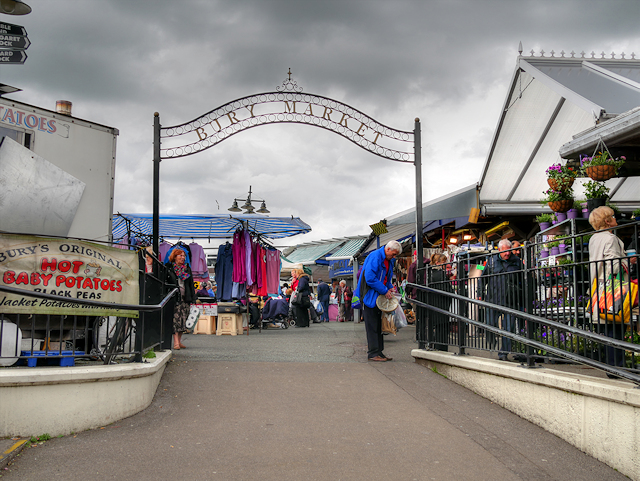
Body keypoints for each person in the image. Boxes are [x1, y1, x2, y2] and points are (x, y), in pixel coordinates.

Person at [588, 206, 636, 375]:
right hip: (613, 290)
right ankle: (618, 368)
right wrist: (629, 262)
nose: (616, 219)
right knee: (616, 331)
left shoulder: (594, 238)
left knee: (608, 332)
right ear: (607, 221)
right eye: (613, 217)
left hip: (599, 288)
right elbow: (614, 266)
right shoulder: (611, 238)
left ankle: (611, 367)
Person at [354, 240, 401, 361]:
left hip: (378, 296)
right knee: (372, 325)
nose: (394, 257)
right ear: (388, 249)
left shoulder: (388, 260)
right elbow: (370, 278)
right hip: (370, 296)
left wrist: (390, 287)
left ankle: (379, 352)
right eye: (394, 254)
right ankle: (373, 353)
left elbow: (386, 277)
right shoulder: (375, 256)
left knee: (379, 325)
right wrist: (385, 290)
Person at [477, 239, 523, 361]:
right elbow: (483, 278)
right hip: (493, 299)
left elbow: (523, 279)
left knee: (509, 329)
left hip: (511, 300)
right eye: (504, 252)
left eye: (509, 251)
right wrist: (480, 292)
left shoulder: (517, 262)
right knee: (490, 324)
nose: (507, 254)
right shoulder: (492, 261)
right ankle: (491, 341)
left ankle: (503, 353)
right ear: (499, 250)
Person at [166, 248, 196, 350]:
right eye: (180, 256)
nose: (183, 258)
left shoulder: (187, 269)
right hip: (174, 297)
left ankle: (179, 341)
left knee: (184, 320)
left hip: (185, 297)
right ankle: (175, 343)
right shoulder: (169, 268)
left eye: (184, 256)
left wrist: (193, 298)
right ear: (174, 257)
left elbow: (191, 284)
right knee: (176, 320)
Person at [427, 253, 451, 351]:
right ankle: (442, 349)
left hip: (433, 303)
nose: (446, 264)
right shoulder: (441, 274)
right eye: (444, 262)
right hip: (442, 304)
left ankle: (435, 346)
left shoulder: (430, 273)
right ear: (437, 263)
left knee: (437, 326)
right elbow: (446, 290)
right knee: (443, 328)